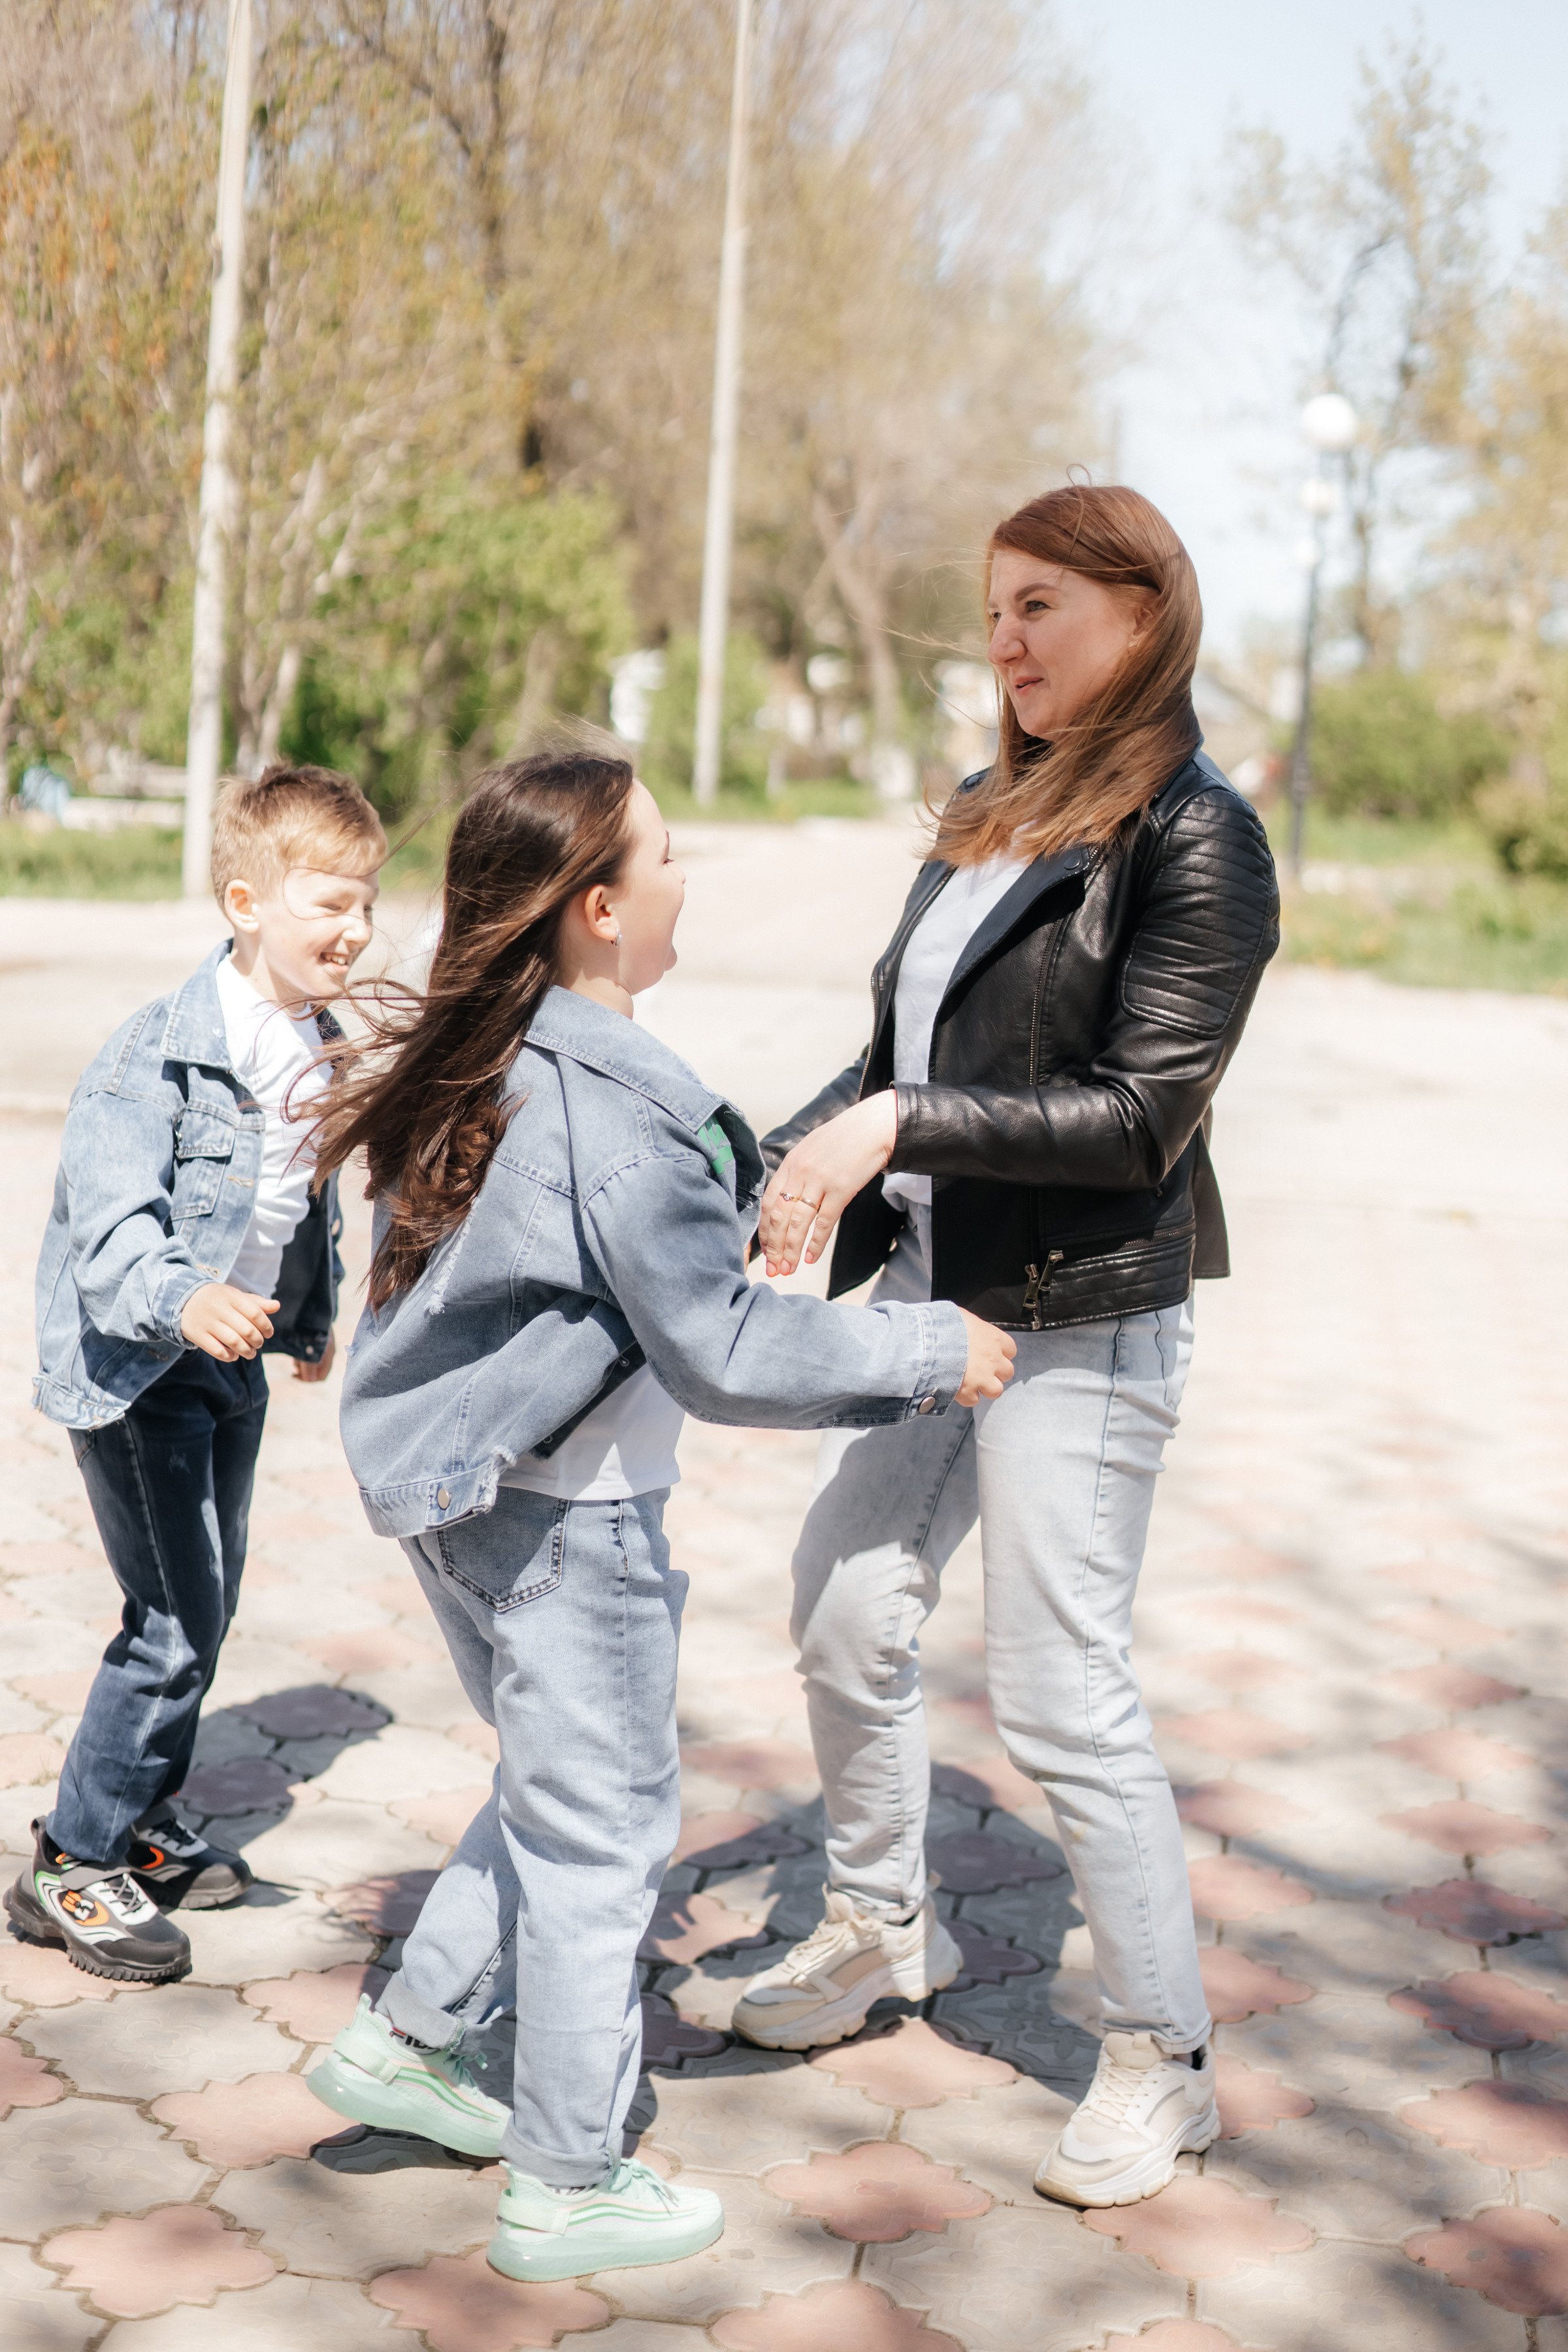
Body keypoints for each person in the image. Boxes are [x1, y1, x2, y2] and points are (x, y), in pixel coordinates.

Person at [304, 752, 1015, 2284]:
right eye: (671, 857)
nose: (693, 877)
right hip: (573, 1523)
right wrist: (926, 1354)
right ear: (603, 910)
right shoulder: (618, 1106)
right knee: (610, 1833)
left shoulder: (495, 1055)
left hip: (471, 1499)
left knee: (558, 1793)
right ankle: (568, 2177)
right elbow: (726, 1354)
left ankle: (411, 2043)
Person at [728, 485, 1281, 2211]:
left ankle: (1162, 2059)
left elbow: (1135, 1121)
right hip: (929, 1301)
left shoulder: (1203, 840)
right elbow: (893, 1047)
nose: (1008, 641)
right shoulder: (984, 808)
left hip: (1084, 1316)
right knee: (838, 1604)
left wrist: (893, 1126)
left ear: (1147, 608)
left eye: (1044, 604)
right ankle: (885, 1930)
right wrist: (766, 1165)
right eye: (994, 610)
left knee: (1058, 1692)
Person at [16, 764, 384, 1984]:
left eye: (369, 903)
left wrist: (308, 1317)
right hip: (140, 1370)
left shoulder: (316, 1044)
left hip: (230, 1364)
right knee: (172, 1623)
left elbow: (299, 1206)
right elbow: (116, 1235)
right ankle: (73, 1858)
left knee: (207, 1606)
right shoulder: (154, 1059)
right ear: (246, 901)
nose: (359, 930)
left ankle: (141, 1823)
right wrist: (187, 1297)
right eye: (331, 903)